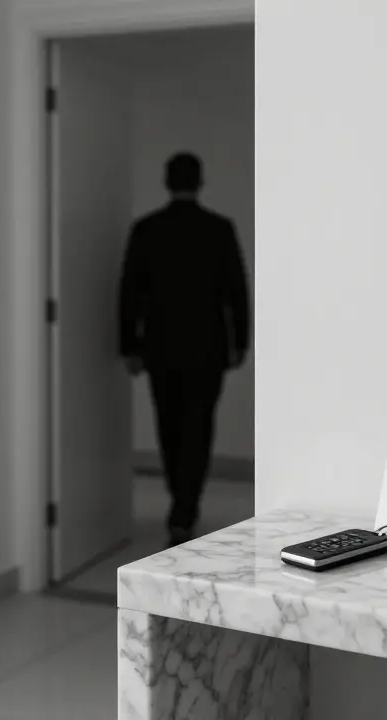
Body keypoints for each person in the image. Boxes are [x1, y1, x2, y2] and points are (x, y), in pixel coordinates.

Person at [119, 152, 250, 547]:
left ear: (166, 180)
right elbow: (237, 292)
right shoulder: (219, 229)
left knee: (169, 427)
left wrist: (130, 345)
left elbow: (129, 293)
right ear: (201, 181)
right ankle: (186, 508)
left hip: (161, 347)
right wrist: (240, 342)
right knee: (199, 428)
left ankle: (180, 503)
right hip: (208, 348)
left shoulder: (147, 230)